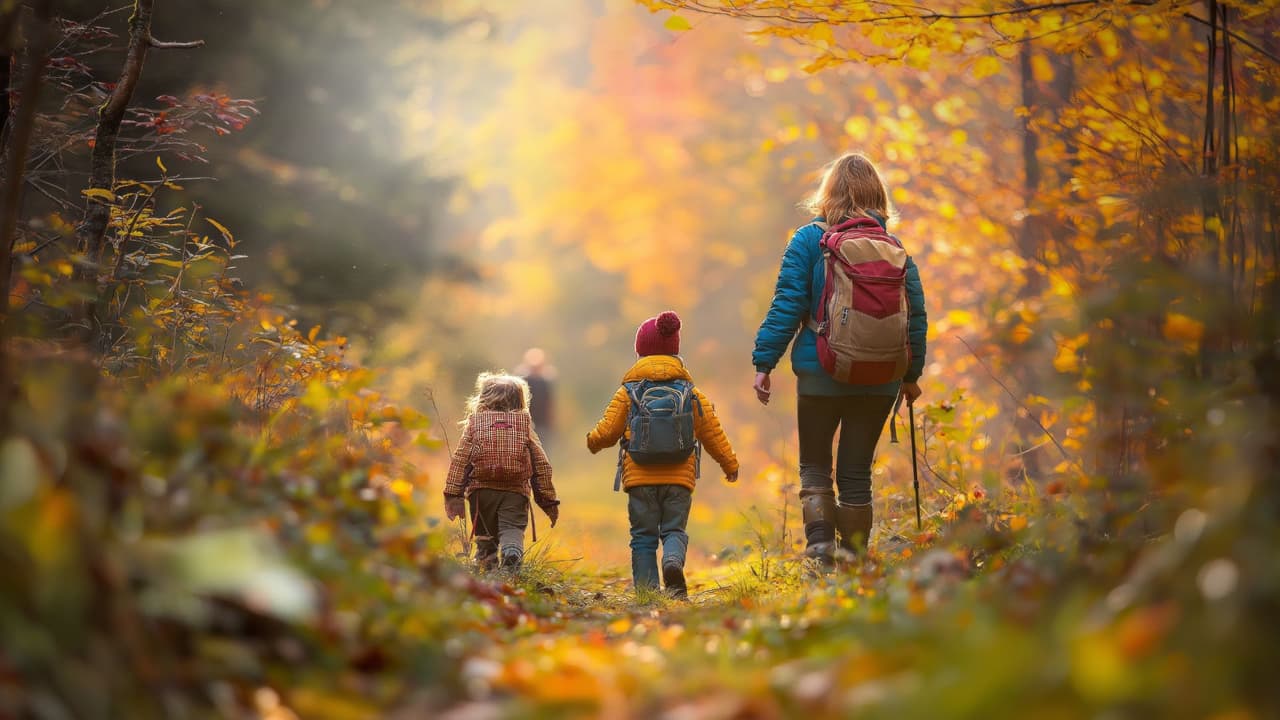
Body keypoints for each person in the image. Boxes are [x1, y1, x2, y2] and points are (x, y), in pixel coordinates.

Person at [751, 152, 928, 564]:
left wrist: (765, 362)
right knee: (856, 473)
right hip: (881, 376)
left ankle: (819, 549)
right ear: (877, 195)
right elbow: (915, 316)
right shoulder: (895, 249)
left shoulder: (808, 240)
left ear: (827, 192)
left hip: (820, 370)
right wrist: (910, 374)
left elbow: (788, 303)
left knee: (815, 466)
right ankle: (854, 561)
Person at [587, 311, 739, 598]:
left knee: (643, 537)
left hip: (639, 478)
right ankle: (672, 561)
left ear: (640, 352)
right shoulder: (692, 393)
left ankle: (648, 593)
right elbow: (712, 433)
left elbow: (607, 431)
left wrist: (592, 442)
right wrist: (729, 464)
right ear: (675, 351)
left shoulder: (628, 391)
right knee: (674, 530)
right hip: (679, 478)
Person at [443, 373, 560, 570]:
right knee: (512, 527)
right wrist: (547, 500)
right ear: (521, 399)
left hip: (481, 492)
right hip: (514, 492)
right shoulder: (524, 425)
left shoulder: (475, 423)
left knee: (485, 533)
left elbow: (460, 460)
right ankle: (512, 550)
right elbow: (541, 464)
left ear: (482, 398)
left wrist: (453, 494)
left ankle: (485, 567)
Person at [516, 348, 557, 449]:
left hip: (540, 424)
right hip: (526, 424)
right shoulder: (523, 381)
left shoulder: (544, 382)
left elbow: (550, 404)